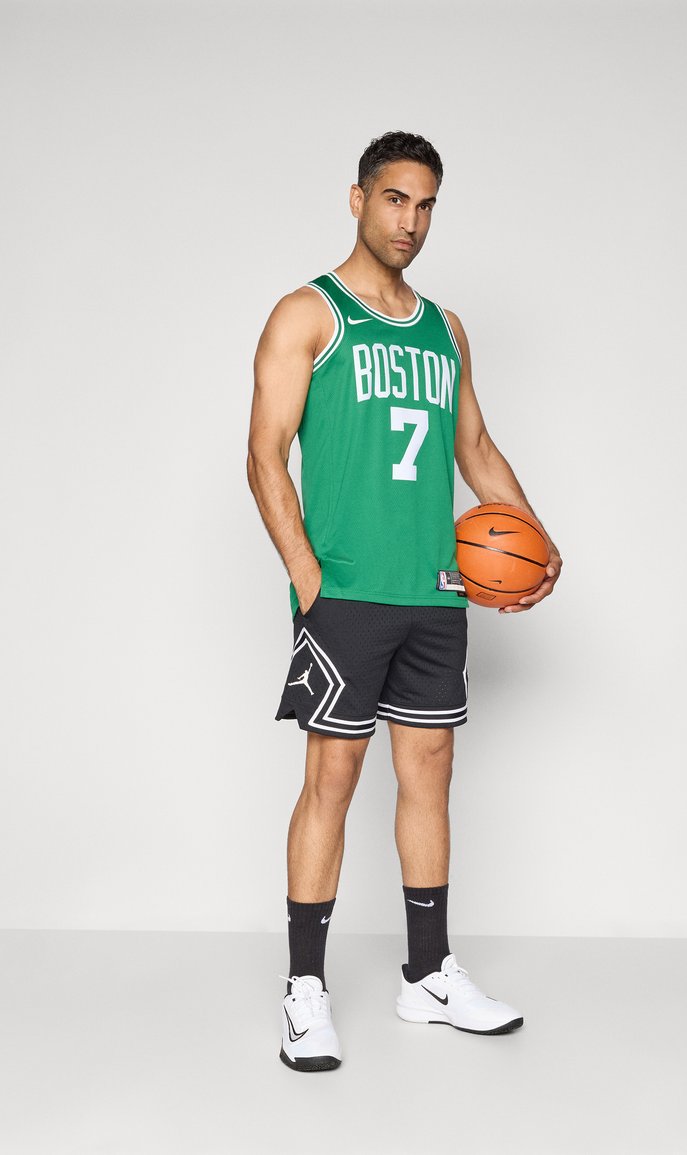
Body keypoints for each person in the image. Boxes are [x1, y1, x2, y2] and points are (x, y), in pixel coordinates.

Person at [247, 131, 562, 1072]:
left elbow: (476, 449)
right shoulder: (309, 313)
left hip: (435, 594)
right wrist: (308, 576)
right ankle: (305, 988)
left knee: (430, 774)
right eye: (395, 199)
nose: (410, 221)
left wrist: (534, 537)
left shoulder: (445, 329)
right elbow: (264, 454)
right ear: (357, 199)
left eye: (426, 205)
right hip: (346, 594)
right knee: (332, 780)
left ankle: (427, 975)